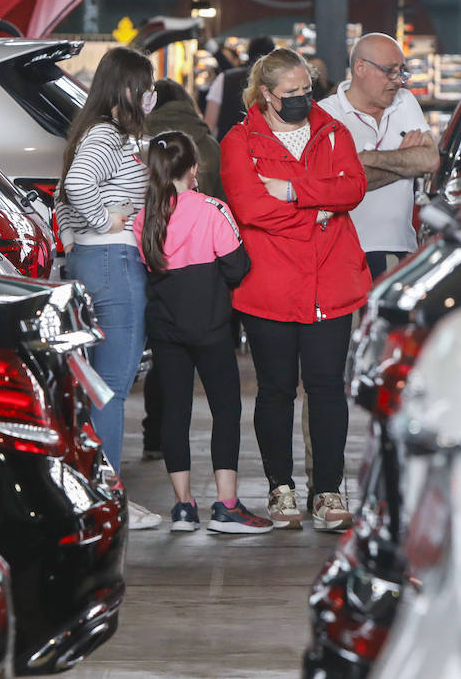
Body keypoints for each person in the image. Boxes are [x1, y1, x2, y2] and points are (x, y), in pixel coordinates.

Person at [220, 47, 369, 531]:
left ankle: (327, 490)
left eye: (308, 89)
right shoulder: (239, 141)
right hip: (271, 285)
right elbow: (249, 208)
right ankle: (280, 487)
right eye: (293, 93)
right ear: (266, 93)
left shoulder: (332, 131)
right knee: (276, 390)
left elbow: (352, 189)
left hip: (332, 281)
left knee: (327, 389)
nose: (305, 99)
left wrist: (290, 190)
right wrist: (318, 215)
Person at [133, 131, 274, 534]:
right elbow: (237, 266)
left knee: (175, 412)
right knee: (225, 409)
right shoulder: (212, 209)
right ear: (194, 168)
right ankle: (226, 505)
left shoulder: (145, 215)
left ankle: (182, 507)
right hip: (211, 327)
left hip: (164, 329)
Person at [55, 46, 162, 530]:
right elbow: (77, 187)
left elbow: (61, 199)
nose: (151, 95)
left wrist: (77, 237)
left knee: (94, 387)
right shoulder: (109, 136)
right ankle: (109, 499)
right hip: (115, 262)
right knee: (112, 389)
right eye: (147, 85)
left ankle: (95, 493)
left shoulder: (91, 133)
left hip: (92, 261)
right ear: (126, 88)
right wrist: (104, 223)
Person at [138, 78, 224, 462]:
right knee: (213, 364)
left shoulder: (144, 142)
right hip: (206, 268)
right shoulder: (207, 143)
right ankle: (224, 478)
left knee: (163, 354)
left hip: (156, 259)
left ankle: (155, 436)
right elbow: (222, 195)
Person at [319, 33, 440, 279]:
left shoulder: (404, 101)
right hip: (343, 255)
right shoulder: (326, 114)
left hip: (401, 250)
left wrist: (367, 158)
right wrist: (406, 161)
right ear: (360, 67)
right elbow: (340, 185)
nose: (398, 81)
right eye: (390, 71)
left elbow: (430, 160)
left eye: (402, 71)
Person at [205, 34, 276, 142]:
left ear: (248, 53)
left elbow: (209, 125)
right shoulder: (278, 82)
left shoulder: (225, 78)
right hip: (266, 153)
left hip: (227, 151)